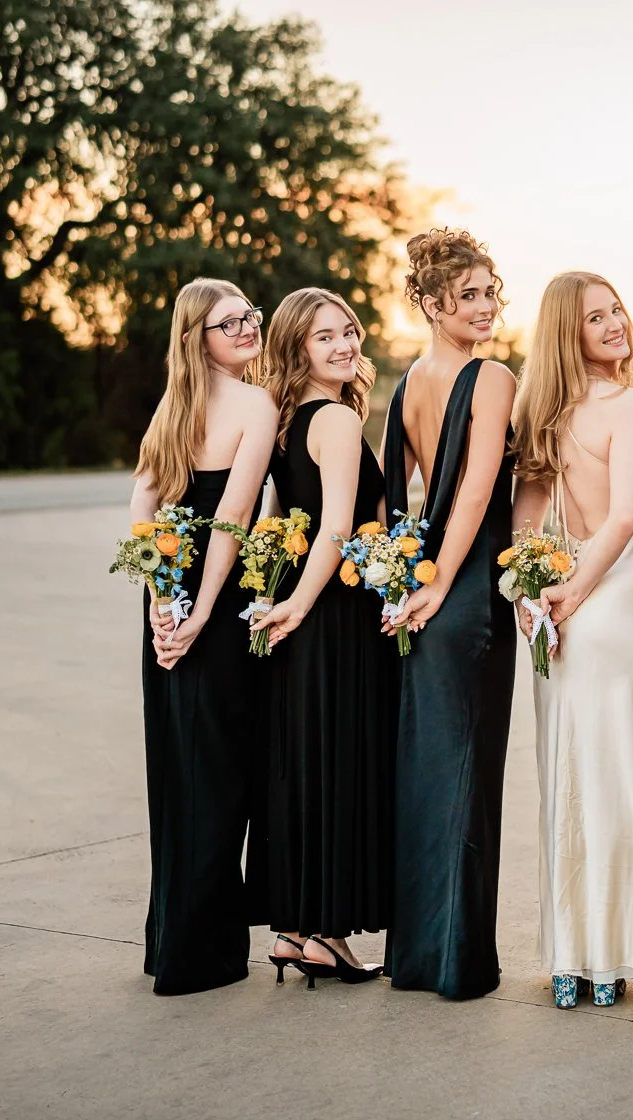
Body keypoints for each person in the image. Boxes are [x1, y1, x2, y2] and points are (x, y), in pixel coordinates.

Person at [510, 272, 633, 1009]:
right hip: (605, 601)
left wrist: (532, 582)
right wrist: (564, 590)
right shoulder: (628, 406)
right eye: (594, 317)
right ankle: (606, 959)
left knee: (567, 774)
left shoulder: (544, 410)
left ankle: (572, 958)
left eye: (616, 310)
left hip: (565, 601)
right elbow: (627, 517)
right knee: (610, 777)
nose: (613, 325)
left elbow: (529, 509)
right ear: (566, 334)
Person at [381, 229, 517, 1000]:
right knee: (467, 767)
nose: (486, 306)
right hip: (462, 588)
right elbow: (474, 489)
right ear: (431, 303)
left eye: (491, 291)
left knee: (432, 767)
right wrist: (438, 582)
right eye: (469, 295)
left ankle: (419, 958)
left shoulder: (407, 382)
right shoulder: (489, 376)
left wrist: (406, 570)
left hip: (427, 578)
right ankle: (459, 963)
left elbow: (402, 496)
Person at [131, 278, 276, 995]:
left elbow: (144, 513)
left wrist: (161, 596)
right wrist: (190, 613)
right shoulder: (255, 403)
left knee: (181, 768)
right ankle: (204, 952)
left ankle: (172, 942)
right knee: (219, 774)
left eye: (250, 315)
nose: (248, 327)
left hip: (174, 597)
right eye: (230, 322)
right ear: (200, 338)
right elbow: (234, 518)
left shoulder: (174, 406)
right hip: (213, 607)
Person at [251, 288, 393, 988]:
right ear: (297, 349)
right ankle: (325, 934)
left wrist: (274, 598)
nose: (343, 347)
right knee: (338, 765)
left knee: (305, 764)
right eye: (323, 338)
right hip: (331, 613)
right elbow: (338, 524)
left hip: (297, 609)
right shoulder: (334, 419)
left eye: (348, 333)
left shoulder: (282, 420)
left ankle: (294, 930)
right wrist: (304, 605)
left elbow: (283, 517)